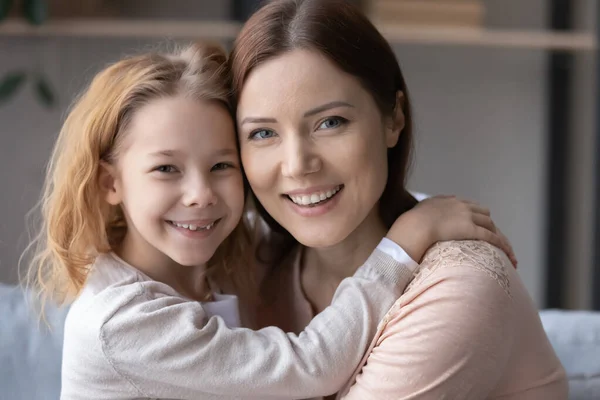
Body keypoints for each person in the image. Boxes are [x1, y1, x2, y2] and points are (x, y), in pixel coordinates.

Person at [24, 42, 512, 400]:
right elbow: (309, 367)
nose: (200, 196)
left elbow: (336, 212)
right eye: (166, 169)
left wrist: (422, 210)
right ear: (112, 184)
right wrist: (407, 240)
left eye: (221, 166)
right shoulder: (122, 323)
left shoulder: (221, 259)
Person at [230, 0, 568, 398]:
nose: (298, 165)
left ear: (394, 119)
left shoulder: (460, 285)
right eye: (263, 134)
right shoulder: (249, 267)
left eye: (330, 122)